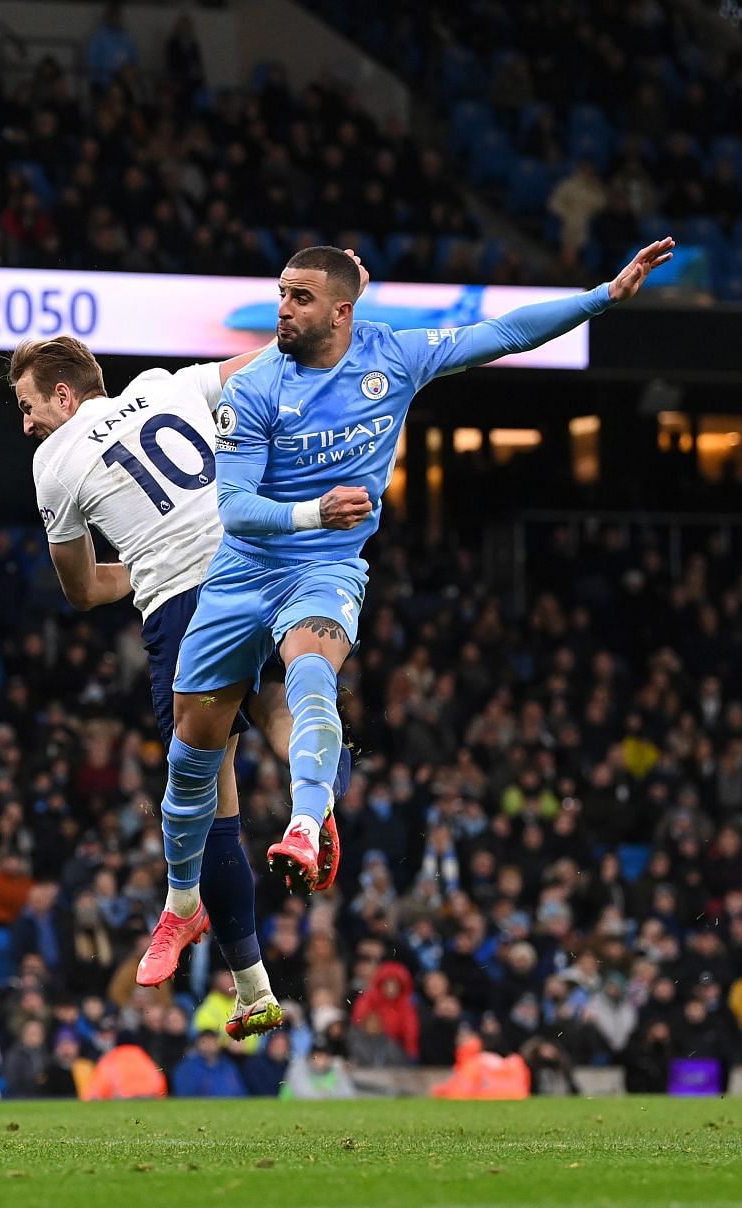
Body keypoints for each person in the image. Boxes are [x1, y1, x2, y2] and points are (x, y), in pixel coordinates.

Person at [169, 238, 674, 897]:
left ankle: (305, 818)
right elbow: (235, 509)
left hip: (324, 569)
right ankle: (182, 901)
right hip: (242, 573)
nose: (283, 310)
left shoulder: (394, 358)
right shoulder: (257, 386)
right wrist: (315, 511)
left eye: (300, 298)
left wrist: (603, 297)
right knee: (189, 752)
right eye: (281, 295)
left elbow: (503, 333)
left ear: (342, 312)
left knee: (313, 671)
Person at [10, 320, 355, 1037]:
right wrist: (335, 311)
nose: (27, 423)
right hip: (260, 562)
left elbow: (79, 589)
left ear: (65, 396)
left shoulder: (54, 461)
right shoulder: (169, 384)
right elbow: (271, 356)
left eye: (30, 406)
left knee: (208, 789)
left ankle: (250, 984)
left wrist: (144, 562)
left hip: (185, 604)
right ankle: (312, 812)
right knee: (284, 710)